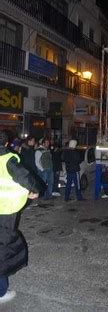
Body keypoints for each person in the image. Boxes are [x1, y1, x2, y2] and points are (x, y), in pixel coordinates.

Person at [0, 130, 42, 304]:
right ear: (7, 143)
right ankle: (1, 292)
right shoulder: (8, 158)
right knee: (4, 248)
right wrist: (35, 190)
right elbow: (24, 176)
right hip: (5, 210)